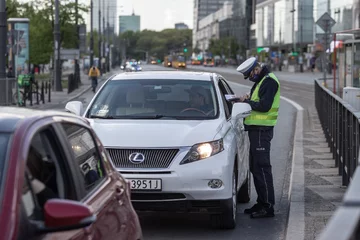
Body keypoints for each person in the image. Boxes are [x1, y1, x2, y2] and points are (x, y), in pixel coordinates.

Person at [235, 57, 280, 219]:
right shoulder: (262, 81)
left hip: (262, 130)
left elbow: (264, 106)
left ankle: (268, 206)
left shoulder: (269, 81)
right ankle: (261, 202)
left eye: (250, 75)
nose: (250, 78)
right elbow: (258, 100)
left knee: (262, 167)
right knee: (255, 167)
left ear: (256, 69)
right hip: (256, 130)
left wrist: (246, 102)